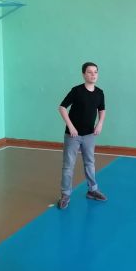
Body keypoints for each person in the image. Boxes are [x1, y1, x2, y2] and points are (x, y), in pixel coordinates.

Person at [57, 62, 107, 210]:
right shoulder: (77, 91)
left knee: (90, 163)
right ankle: (65, 194)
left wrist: (100, 123)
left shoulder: (100, 93)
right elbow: (62, 107)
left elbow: (102, 109)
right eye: (90, 72)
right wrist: (71, 126)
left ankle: (92, 190)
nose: (93, 75)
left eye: (95, 72)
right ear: (84, 74)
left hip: (89, 135)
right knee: (68, 166)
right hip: (73, 135)